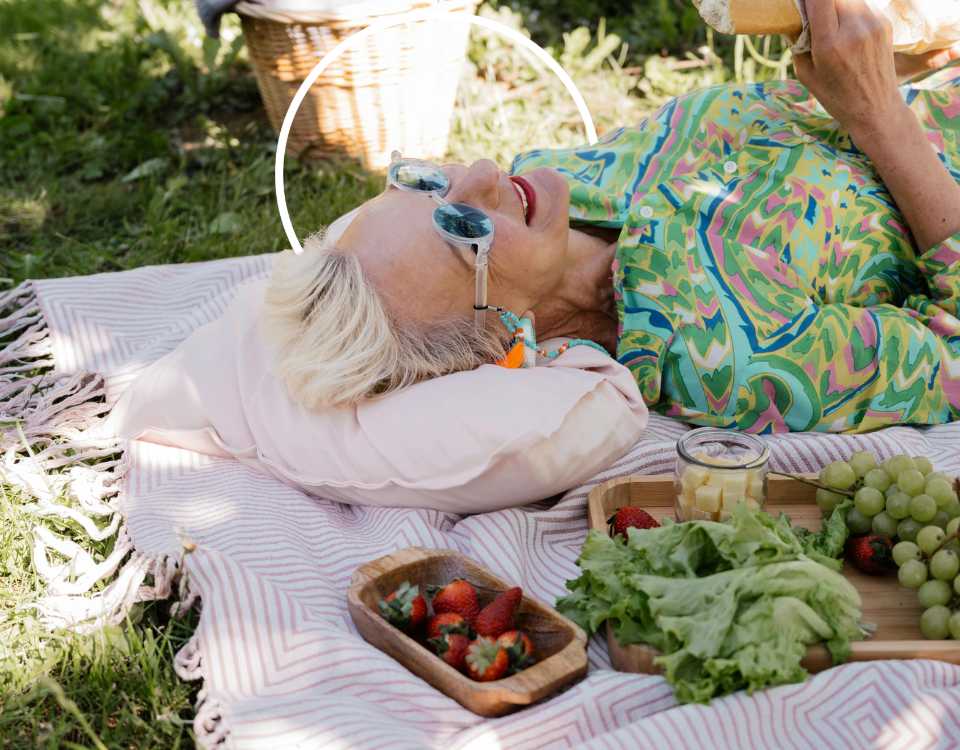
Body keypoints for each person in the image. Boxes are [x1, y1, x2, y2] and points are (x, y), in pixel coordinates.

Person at [264, 0, 960, 434]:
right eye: (462, 233)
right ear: (502, 345)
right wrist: (880, 117)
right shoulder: (723, 355)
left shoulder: (568, 184)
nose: (477, 175)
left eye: (420, 183)